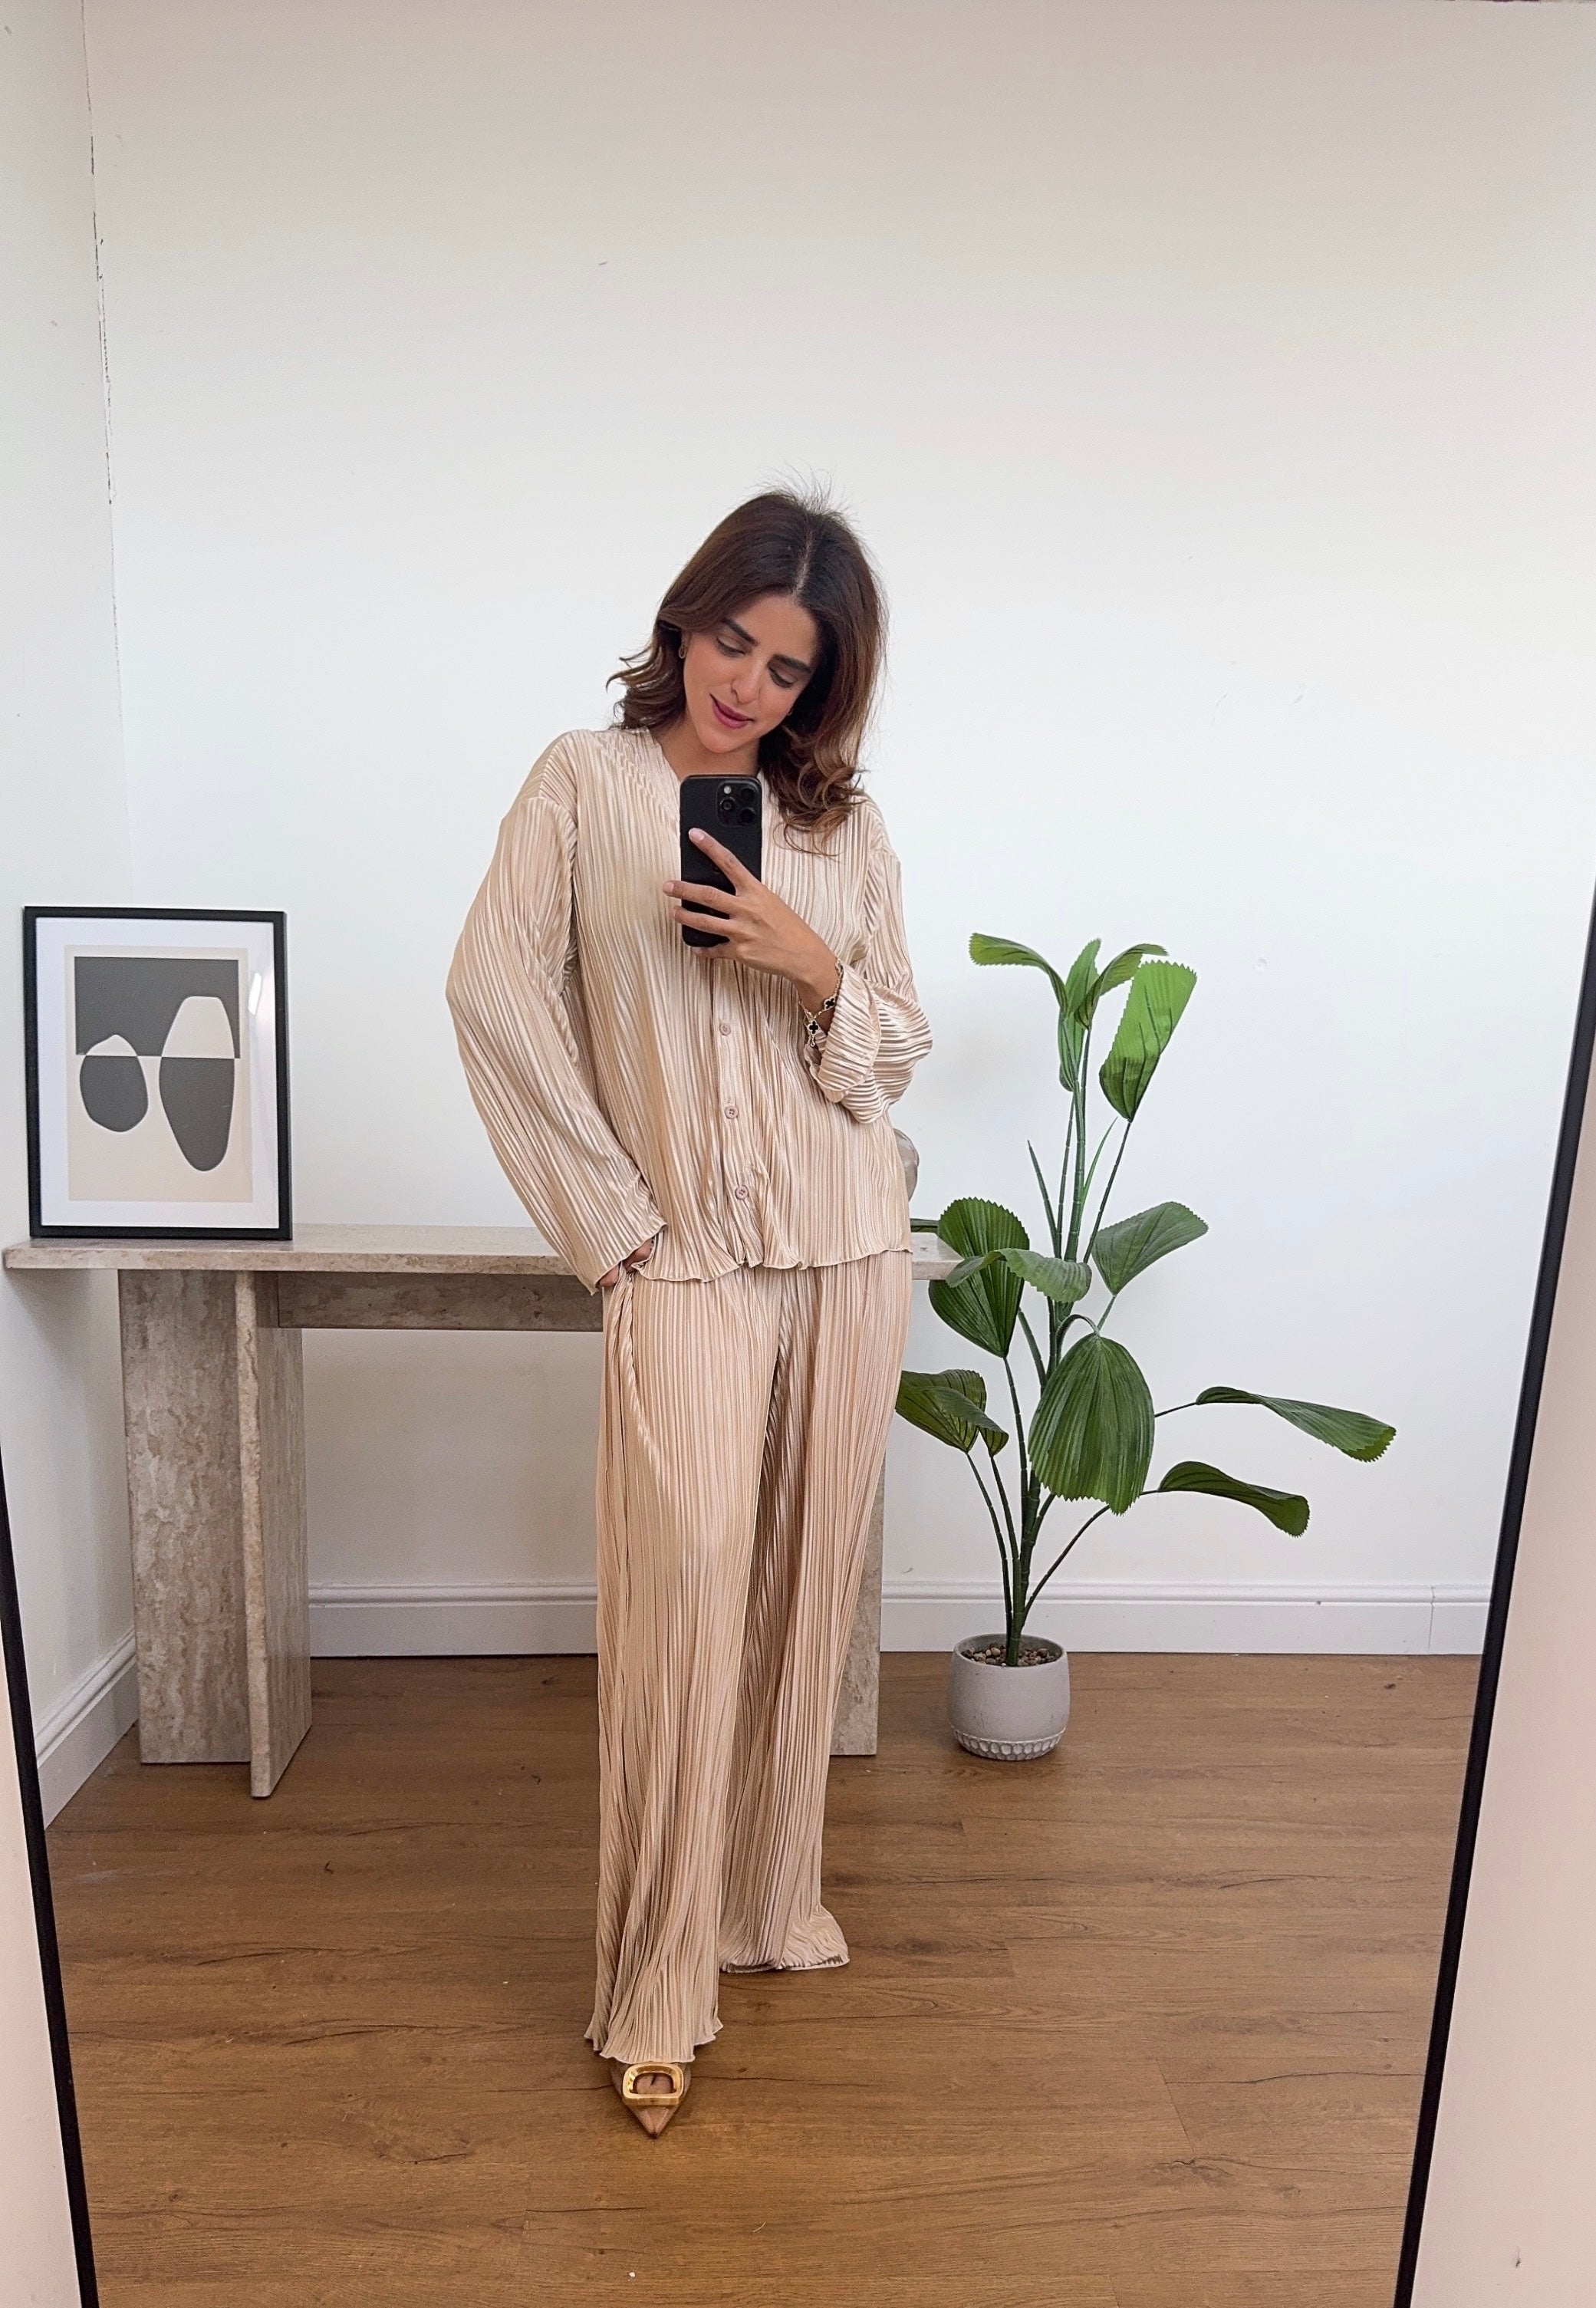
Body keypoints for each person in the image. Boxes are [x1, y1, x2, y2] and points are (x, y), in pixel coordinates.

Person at [446, 489, 930, 2135]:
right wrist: (614, 1227)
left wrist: (812, 961)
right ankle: (656, 1983)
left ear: (820, 685)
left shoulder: (844, 829)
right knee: (682, 1601)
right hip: (683, 1262)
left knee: (802, 1593)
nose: (748, 687)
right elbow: (492, 993)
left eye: (789, 669)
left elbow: (894, 1050)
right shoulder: (581, 786)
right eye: (734, 640)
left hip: (849, 1243)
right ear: (686, 615)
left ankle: (766, 1902)